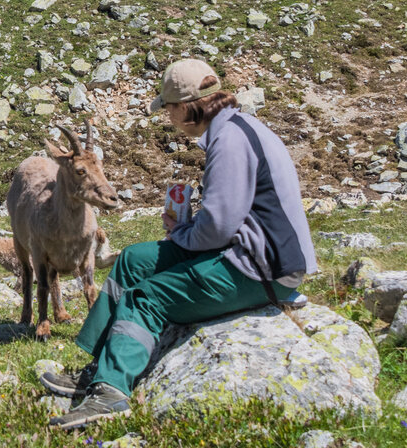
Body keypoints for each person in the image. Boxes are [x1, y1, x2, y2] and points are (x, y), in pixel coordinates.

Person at [43, 58, 318, 430]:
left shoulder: (229, 142)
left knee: (145, 297)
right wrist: (188, 229)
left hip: (262, 269)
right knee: (134, 260)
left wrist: (182, 233)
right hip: (249, 252)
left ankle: (110, 392)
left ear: (188, 106)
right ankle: (98, 366)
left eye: (169, 108)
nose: (168, 116)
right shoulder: (237, 128)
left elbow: (219, 226)